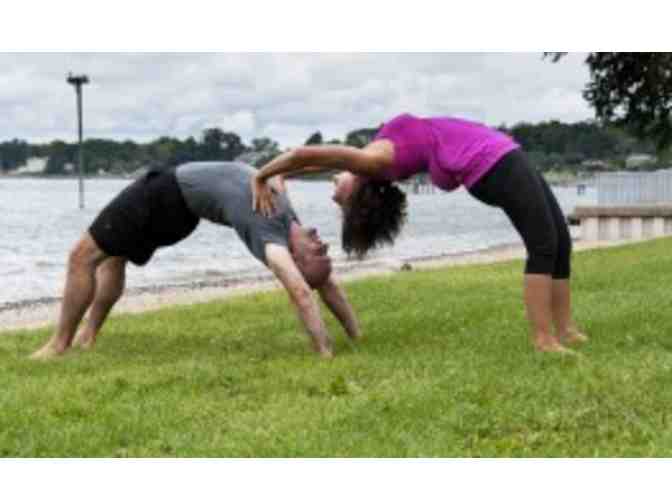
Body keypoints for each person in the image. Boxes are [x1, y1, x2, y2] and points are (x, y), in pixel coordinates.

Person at [252, 113, 587, 353]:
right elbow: (306, 154)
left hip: (497, 155)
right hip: (491, 161)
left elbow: (311, 161)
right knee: (544, 245)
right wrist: (261, 175)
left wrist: (279, 175)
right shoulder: (372, 162)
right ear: (357, 190)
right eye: (339, 196)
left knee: (559, 240)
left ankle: (565, 329)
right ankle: (543, 339)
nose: (333, 189)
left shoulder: (370, 160)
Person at [31, 161, 361, 360]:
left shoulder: (273, 242)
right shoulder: (289, 217)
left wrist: (324, 351)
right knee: (113, 257)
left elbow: (301, 292)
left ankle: (59, 345)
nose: (321, 240)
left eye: (317, 251)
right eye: (324, 248)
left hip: (164, 194)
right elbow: (326, 284)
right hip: (185, 209)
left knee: (81, 257)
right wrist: (355, 334)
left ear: (296, 258)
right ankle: (87, 336)